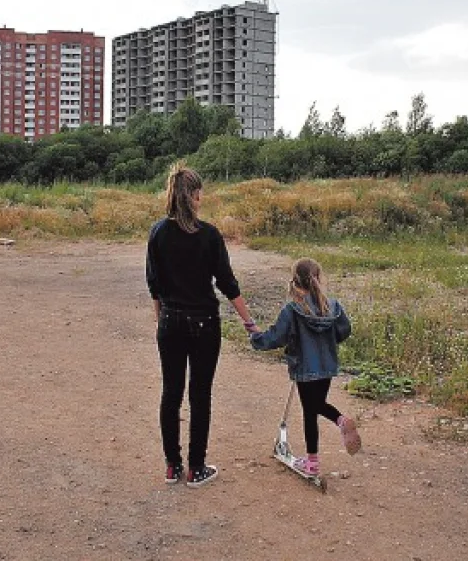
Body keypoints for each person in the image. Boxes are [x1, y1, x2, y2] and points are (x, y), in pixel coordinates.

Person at [146, 163, 257, 488]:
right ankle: (196, 468)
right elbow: (227, 283)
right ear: (195, 195)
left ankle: (172, 466)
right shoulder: (208, 235)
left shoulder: (158, 232)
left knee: (171, 393)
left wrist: (160, 319)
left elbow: (154, 284)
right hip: (205, 324)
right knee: (200, 395)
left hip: (170, 322)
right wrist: (249, 322)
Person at [248, 257, 361, 475]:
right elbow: (344, 330)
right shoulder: (332, 306)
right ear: (318, 278)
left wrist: (256, 338)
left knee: (310, 412)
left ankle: (313, 461)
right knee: (317, 405)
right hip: (327, 366)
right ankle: (340, 422)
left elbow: (276, 336)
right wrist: (329, 341)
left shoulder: (292, 310)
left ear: (295, 280)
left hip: (304, 367)